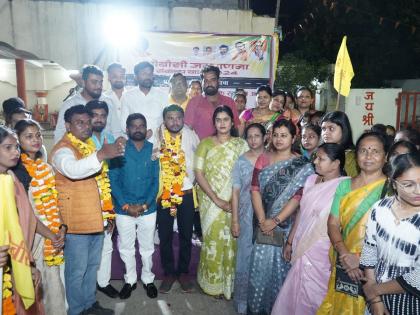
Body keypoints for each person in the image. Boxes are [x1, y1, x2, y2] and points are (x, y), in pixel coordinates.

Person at [50, 105, 124, 315]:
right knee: (77, 272)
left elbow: (100, 185)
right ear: (67, 125)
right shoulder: (63, 149)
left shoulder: (89, 146)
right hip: (75, 224)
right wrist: (101, 155)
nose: (85, 126)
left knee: (92, 268)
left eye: (87, 122)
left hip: (95, 220)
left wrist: (107, 215)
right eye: (79, 123)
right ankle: (76, 310)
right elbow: (73, 170)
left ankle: (90, 304)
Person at [317, 132, 389, 315]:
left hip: (375, 266)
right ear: (356, 156)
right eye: (363, 151)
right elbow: (333, 224)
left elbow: (390, 236)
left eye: (375, 151)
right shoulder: (344, 186)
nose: (368, 156)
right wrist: (345, 254)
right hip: (343, 261)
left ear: (385, 156)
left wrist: (361, 259)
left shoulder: (392, 189)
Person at [272, 143, 348, 315]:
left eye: (321, 159)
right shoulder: (311, 180)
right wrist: (290, 241)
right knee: (296, 290)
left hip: (322, 248)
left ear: (336, 164)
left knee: (316, 294)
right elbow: (302, 212)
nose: (315, 162)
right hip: (302, 241)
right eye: (316, 157)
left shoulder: (344, 186)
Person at [247, 119, 313, 315]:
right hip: (263, 223)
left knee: (281, 273)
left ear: (294, 138)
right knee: (259, 272)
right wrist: (262, 221)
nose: (278, 139)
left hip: (287, 226)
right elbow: (255, 189)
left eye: (284, 135)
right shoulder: (263, 159)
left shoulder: (302, 165)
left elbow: (298, 198)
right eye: (275, 135)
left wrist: (274, 221)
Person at [194, 106, 248, 299]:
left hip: (236, 199)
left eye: (226, 119)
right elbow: (198, 173)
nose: (222, 123)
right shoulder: (205, 144)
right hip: (210, 201)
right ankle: (212, 284)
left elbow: (246, 173)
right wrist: (216, 199)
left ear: (232, 123)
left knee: (232, 242)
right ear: (214, 123)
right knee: (212, 242)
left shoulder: (241, 145)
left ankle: (229, 284)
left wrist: (235, 200)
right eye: (218, 120)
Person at [13, 119, 67, 314]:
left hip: (51, 233)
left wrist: (61, 227)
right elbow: (27, 215)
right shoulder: (17, 173)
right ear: (17, 140)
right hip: (31, 236)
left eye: (38, 135)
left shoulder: (44, 167)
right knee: (34, 286)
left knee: (53, 283)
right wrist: (51, 235)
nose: (35, 140)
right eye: (28, 136)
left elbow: (55, 199)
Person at [360, 152, 420, 315]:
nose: (418, 190)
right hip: (377, 300)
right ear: (393, 184)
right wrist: (375, 300)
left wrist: (374, 291)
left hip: (412, 301)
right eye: (408, 185)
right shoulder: (379, 209)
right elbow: (369, 250)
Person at [109, 113, 159, 300]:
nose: (138, 129)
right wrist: (125, 205)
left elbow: (156, 181)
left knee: (147, 247)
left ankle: (148, 279)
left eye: (141, 126)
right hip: (124, 209)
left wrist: (145, 205)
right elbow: (113, 180)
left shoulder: (154, 150)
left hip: (148, 208)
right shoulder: (118, 150)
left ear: (146, 129)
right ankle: (129, 280)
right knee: (126, 247)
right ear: (128, 129)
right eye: (134, 126)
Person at [0, 125, 47, 314]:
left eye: (16, 147)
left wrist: (29, 264)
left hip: (16, 257)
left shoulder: (12, 178)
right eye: (8, 147)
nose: (15, 152)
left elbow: (22, 225)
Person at [153, 105, 200, 294]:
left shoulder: (191, 134)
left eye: (178, 118)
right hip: (165, 192)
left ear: (183, 119)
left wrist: (195, 176)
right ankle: (169, 273)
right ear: (164, 120)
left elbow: (199, 157)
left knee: (186, 235)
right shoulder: (157, 135)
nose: (174, 121)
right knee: (164, 235)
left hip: (187, 192)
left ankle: (183, 272)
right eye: (170, 118)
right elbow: (151, 157)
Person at [85, 100, 120, 299]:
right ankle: (87, 285)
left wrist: (112, 204)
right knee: (88, 246)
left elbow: (115, 171)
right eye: (94, 115)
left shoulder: (110, 137)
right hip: (87, 199)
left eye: (102, 115)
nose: (99, 119)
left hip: (107, 199)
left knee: (107, 242)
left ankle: (103, 282)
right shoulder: (81, 139)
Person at [231, 123, 266, 314]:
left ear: (264, 137)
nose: (253, 140)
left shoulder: (271, 159)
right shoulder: (241, 161)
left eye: (257, 136)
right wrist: (235, 220)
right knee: (245, 258)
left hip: (267, 217)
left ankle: (262, 302)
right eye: (249, 136)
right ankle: (243, 304)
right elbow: (235, 192)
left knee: (264, 258)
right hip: (245, 216)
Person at [54, 65, 120, 143]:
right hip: (80, 152)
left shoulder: (108, 102)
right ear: (83, 82)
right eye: (94, 82)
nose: (99, 86)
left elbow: (117, 131)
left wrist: (119, 144)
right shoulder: (70, 104)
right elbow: (60, 133)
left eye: (101, 82)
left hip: (108, 150)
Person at [185, 65, 239, 140]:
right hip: (201, 149)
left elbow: (235, 128)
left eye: (213, 80)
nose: (209, 83)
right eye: (206, 80)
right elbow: (187, 131)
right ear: (202, 83)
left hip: (226, 149)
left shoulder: (229, 102)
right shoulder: (194, 102)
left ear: (218, 81)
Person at [120, 61, 167, 142]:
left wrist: (153, 131)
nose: (148, 77)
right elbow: (124, 124)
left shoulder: (163, 95)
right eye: (144, 74)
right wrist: (140, 133)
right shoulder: (127, 96)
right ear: (136, 77)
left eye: (150, 74)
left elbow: (167, 120)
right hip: (135, 144)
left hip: (158, 144)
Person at [321, 111, 358, 177]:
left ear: (344, 130)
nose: (326, 133)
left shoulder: (353, 157)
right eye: (323, 129)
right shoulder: (319, 153)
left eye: (331, 128)